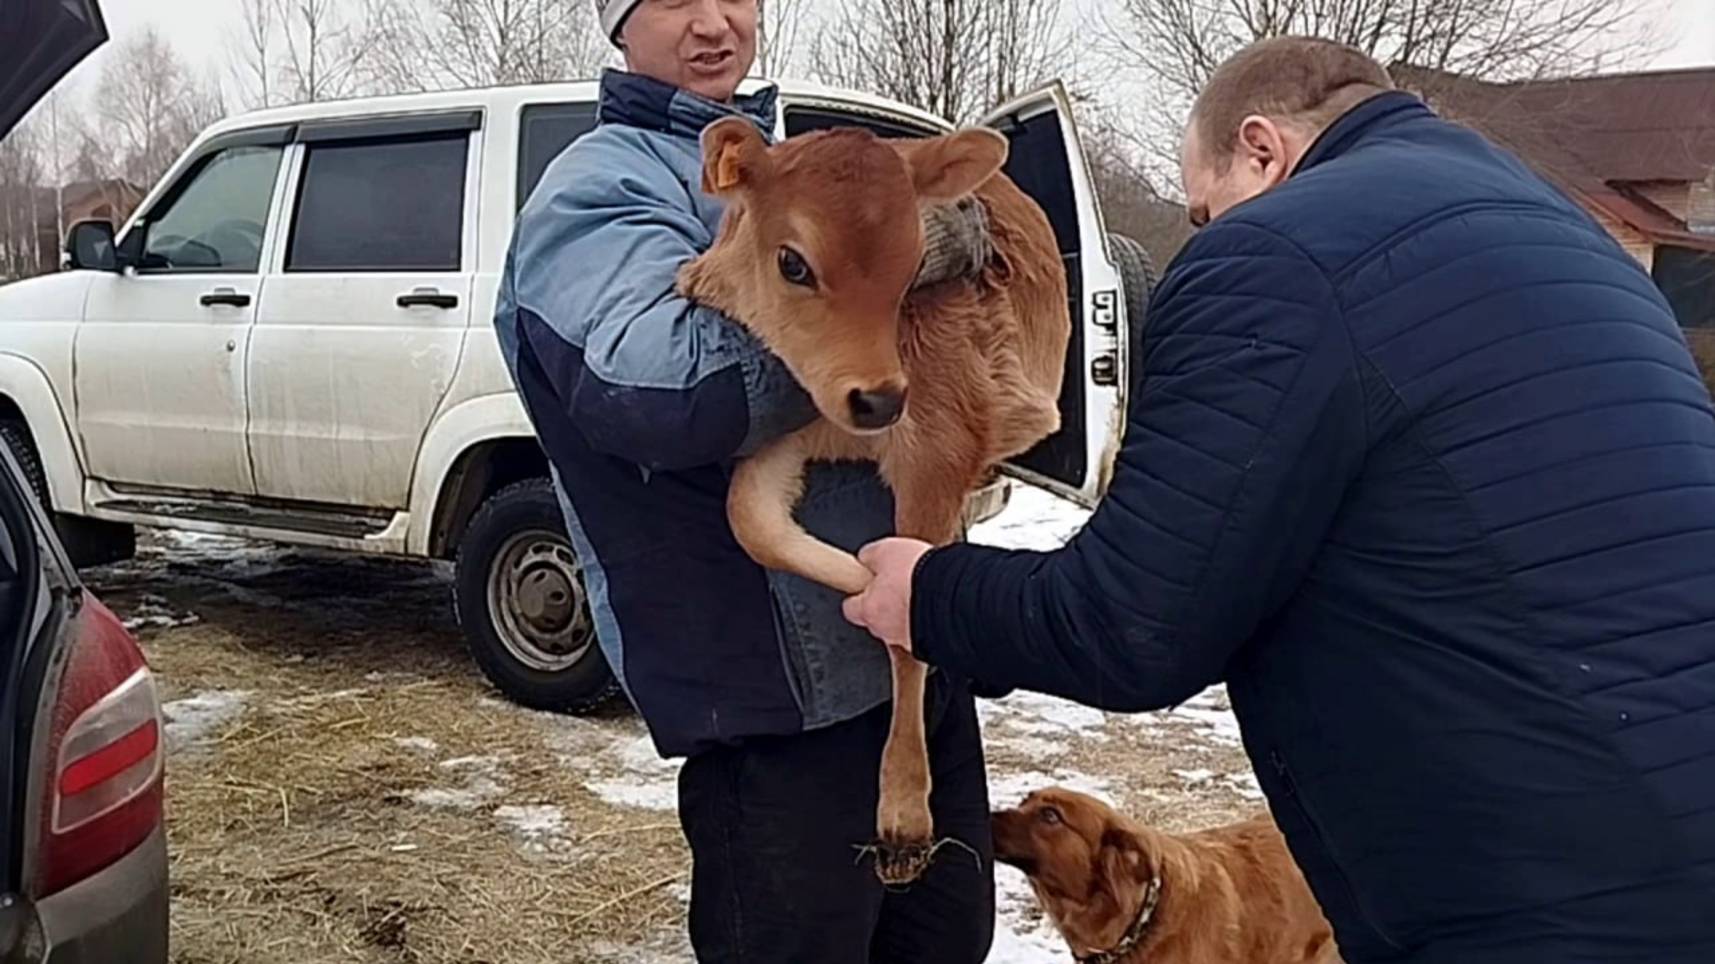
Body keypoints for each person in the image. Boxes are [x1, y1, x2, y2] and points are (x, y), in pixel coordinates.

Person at [845, 36, 1715, 964]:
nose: (1204, 227)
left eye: (1203, 206)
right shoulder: (1572, 241)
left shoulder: (1274, 252)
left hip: (1534, 884)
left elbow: (1134, 625)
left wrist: (935, 594)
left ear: (1261, 150)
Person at [493, 0, 998, 960]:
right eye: (675, 1)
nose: (713, 24)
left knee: (943, 944)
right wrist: (872, 275)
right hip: (770, 691)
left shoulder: (811, 163)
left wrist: (894, 250)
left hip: (905, 662)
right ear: (621, 24)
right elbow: (653, 387)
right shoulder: (595, 189)